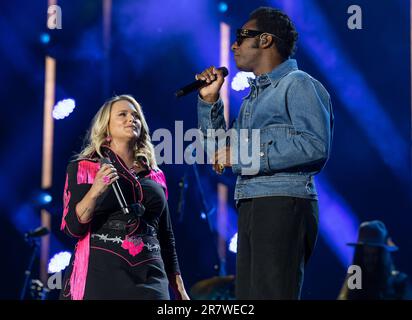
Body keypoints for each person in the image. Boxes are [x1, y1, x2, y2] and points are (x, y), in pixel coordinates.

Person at [196, 7, 334, 299]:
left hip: (282, 201)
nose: (234, 45)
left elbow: (314, 145)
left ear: (266, 40)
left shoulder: (298, 84)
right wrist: (209, 104)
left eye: (242, 37)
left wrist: (244, 154)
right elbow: (220, 154)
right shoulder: (252, 100)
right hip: (251, 202)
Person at [59, 95, 189, 300]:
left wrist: (179, 289)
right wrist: (96, 191)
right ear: (106, 129)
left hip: (152, 279)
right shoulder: (84, 168)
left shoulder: (155, 175)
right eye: (123, 114)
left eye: (136, 116)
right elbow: (72, 228)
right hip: (103, 276)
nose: (132, 119)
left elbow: (166, 236)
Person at [338, 220, 412, 300]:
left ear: (383, 256)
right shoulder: (355, 282)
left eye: (375, 255)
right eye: (366, 255)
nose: (370, 260)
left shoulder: (399, 283)